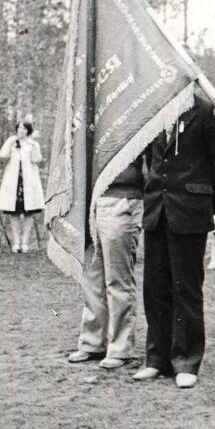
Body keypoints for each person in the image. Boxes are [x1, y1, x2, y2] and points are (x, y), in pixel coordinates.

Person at [134, 94, 215, 389]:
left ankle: (186, 361)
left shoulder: (205, 110)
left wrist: (203, 204)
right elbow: (148, 161)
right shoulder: (155, 108)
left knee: (186, 288)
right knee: (155, 287)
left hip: (190, 212)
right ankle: (156, 359)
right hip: (156, 212)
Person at [67, 158, 144, 369]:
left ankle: (120, 347)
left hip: (122, 196)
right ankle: (93, 342)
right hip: (89, 199)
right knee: (91, 277)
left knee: (117, 278)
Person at [0, 118, 44, 253]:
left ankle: (25, 243)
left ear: (28, 131)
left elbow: (36, 159)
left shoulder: (32, 144)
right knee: (14, 213)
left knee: (29, 213)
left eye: (24, 128)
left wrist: (33, 144)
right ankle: (16, 242)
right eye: (19, 128)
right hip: (14, 182)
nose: (21, 131)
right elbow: (3, 154)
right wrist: (10, 141)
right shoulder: (12, 142)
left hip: (28, 182)